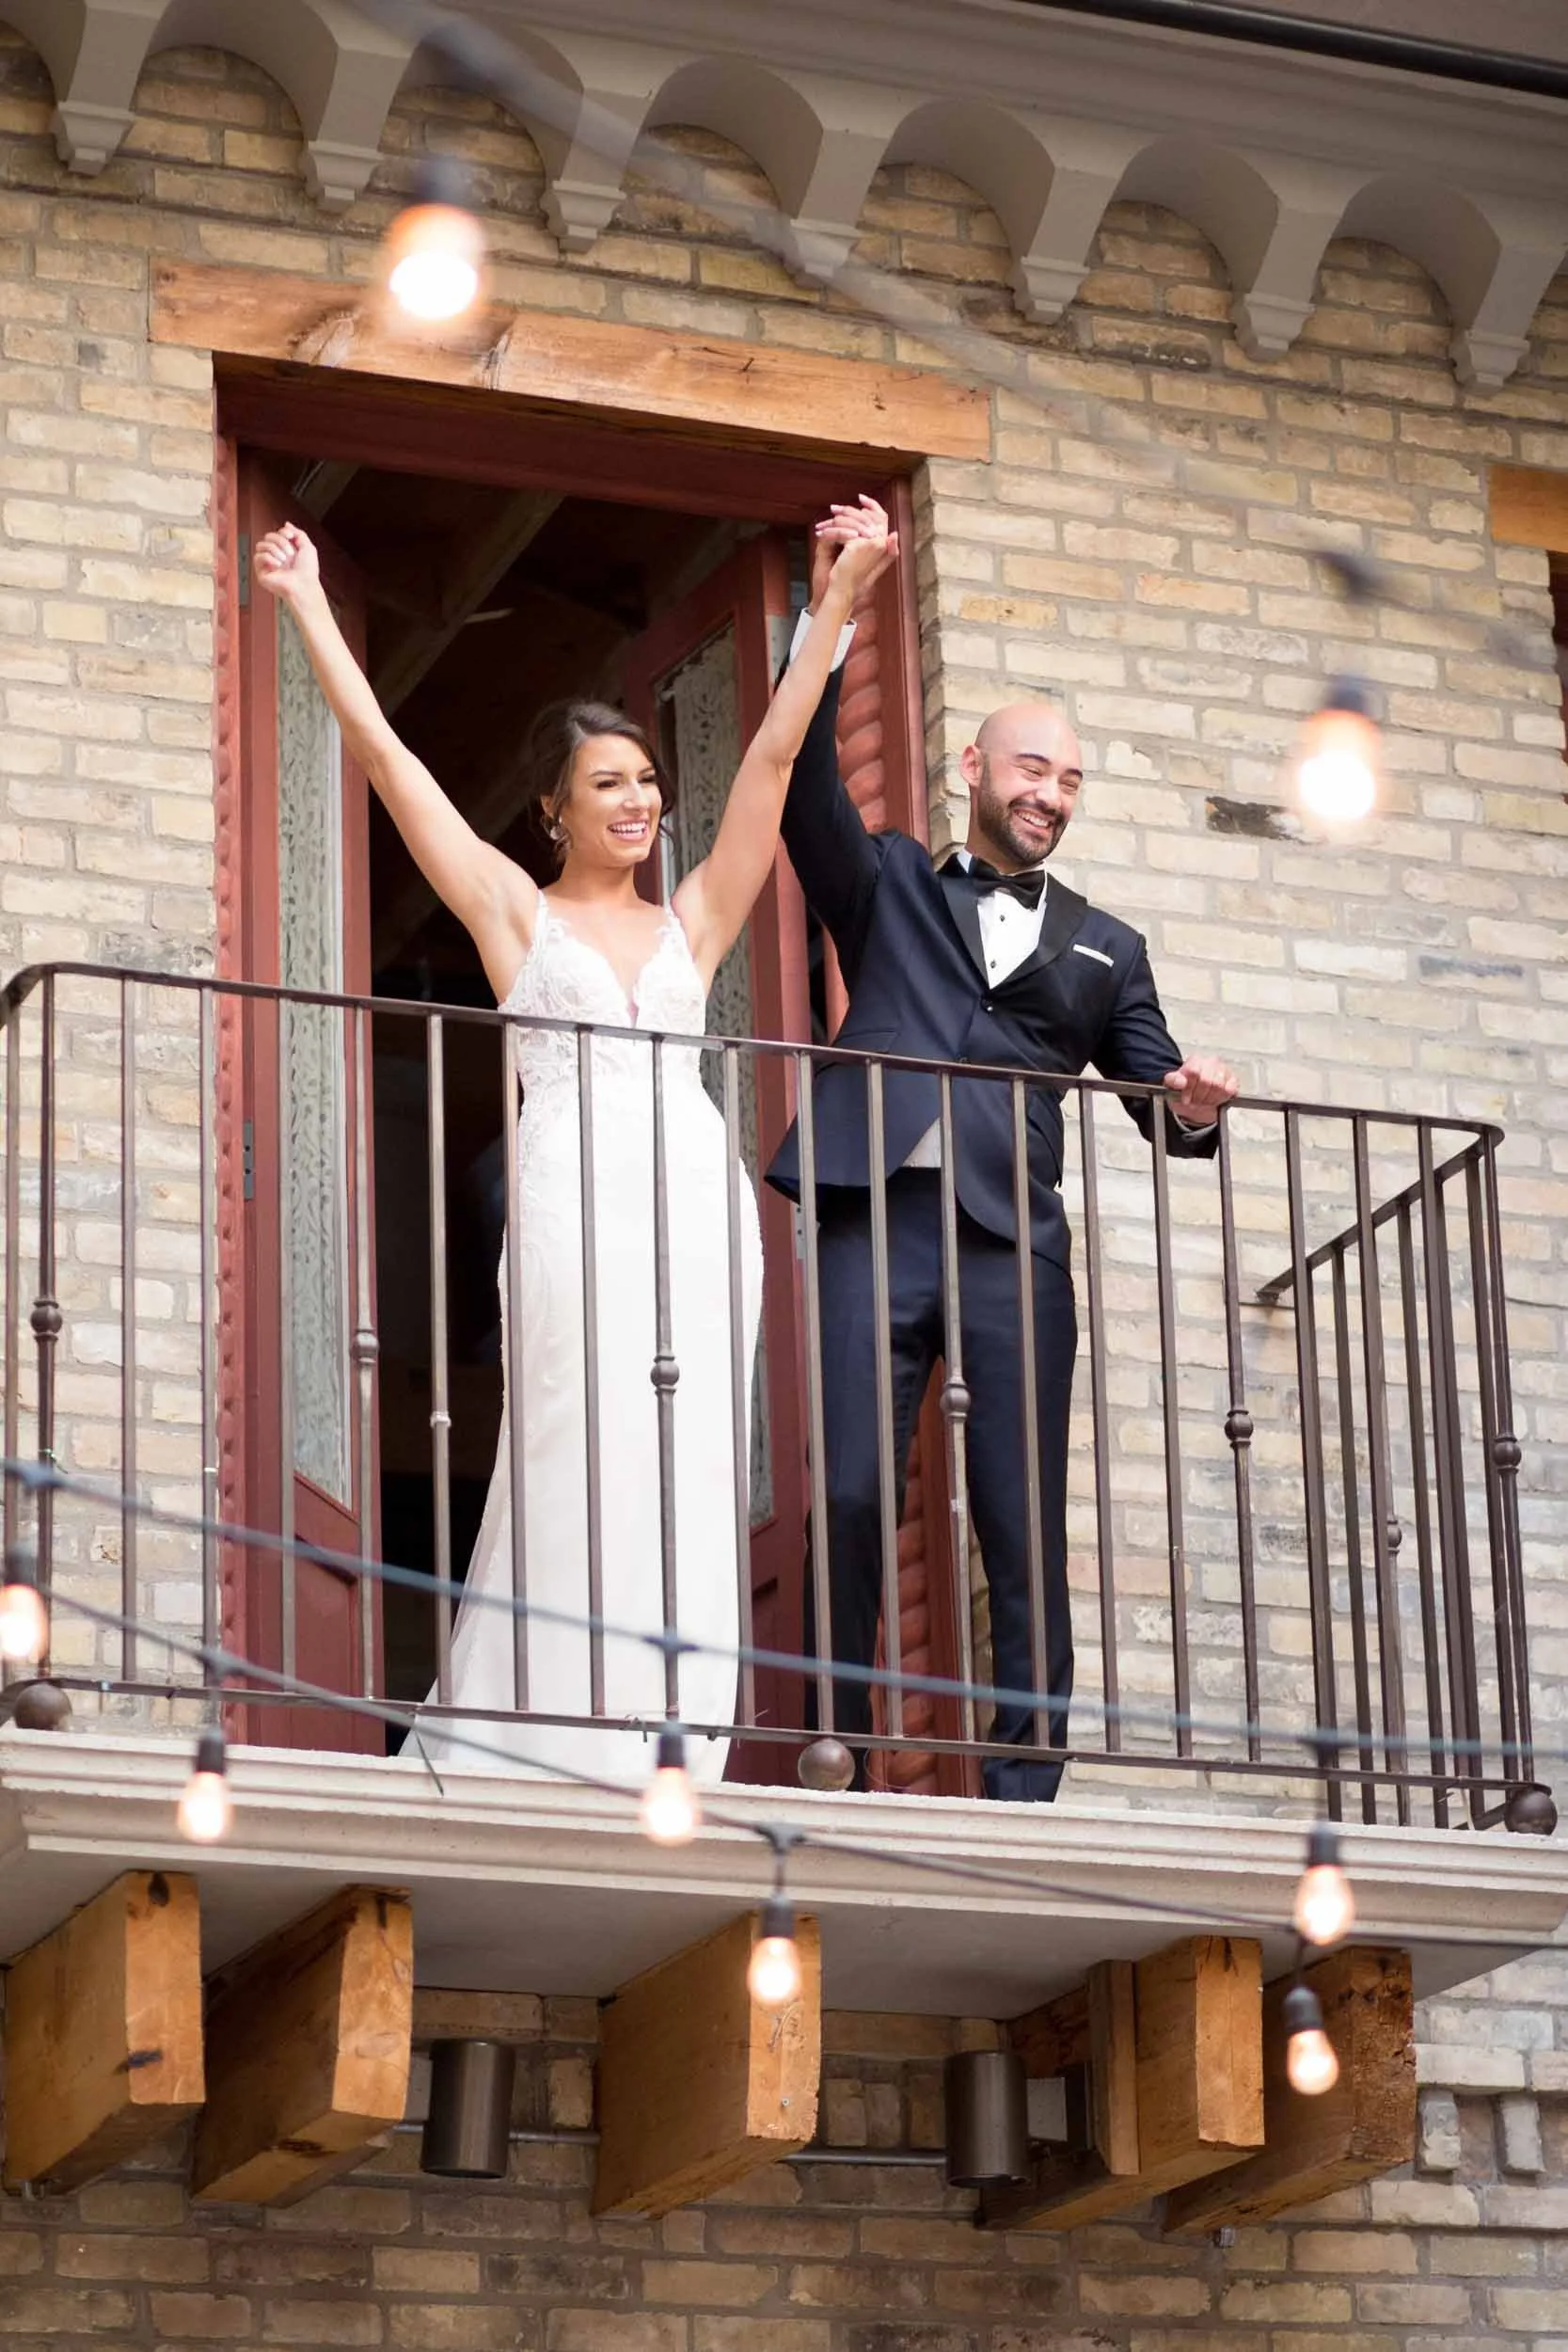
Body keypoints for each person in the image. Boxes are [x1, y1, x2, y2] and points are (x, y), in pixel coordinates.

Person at [254, 502, 895, 1785]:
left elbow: (766, 766)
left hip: (692, 1212)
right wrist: (307, 604)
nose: (641, 801)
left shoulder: (693, 922)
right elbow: (387, 763)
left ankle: (674, 1740)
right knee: (573, 1437)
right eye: (610, 783)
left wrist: (838, 603)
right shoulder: (510, 914)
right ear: (553, 810)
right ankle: (545, 1730)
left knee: (687, 1452)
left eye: (648, 782)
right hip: (567, 1209)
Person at [769, 501, 1238, 1802]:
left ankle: (1026, 1777)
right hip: (876, 1210)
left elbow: (1157, 1101)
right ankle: (833, 1750)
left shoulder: (1106, 946)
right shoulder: (885, 885)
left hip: (1012, 1245)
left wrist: (1190, 1106)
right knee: (853, 1488)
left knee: (1018, 1515)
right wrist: (835, 606)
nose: (1050, 795)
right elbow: (799, 778)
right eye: (1031, 769)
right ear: (973, 769)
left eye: (1072, 780)